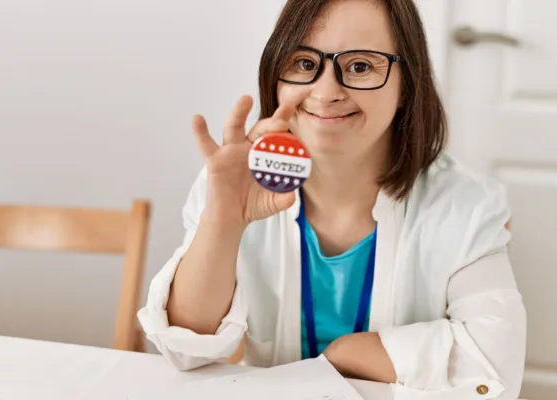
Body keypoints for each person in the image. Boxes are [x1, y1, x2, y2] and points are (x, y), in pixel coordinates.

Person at [137, 0, 526, 397]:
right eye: (305, 64)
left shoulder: (467, 204)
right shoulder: (234, 180)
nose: (325, 93)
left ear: (408, 83)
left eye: (359, 66)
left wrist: (344, 356)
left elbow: (493, 370)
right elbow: (186, 353)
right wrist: (223, 221)